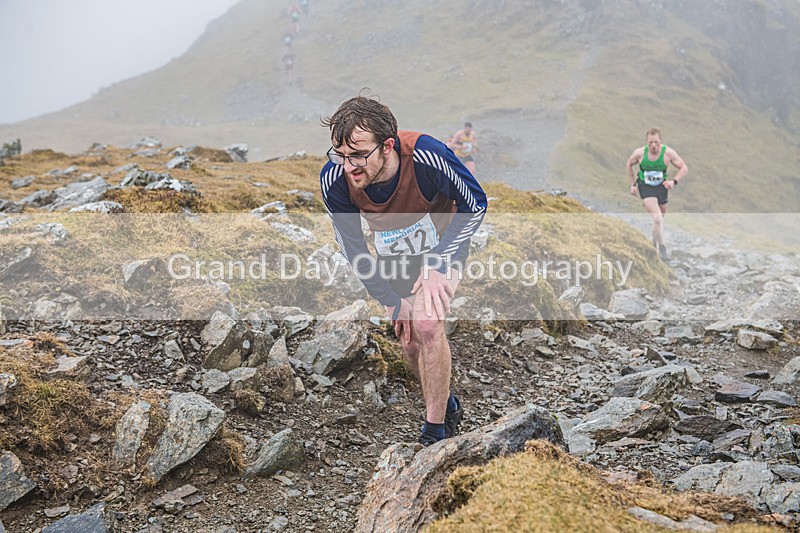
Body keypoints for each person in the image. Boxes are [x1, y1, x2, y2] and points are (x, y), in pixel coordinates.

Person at [320, 95, 487, 446]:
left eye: (358, 155)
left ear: (387, 146)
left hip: (444, 243)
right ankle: (448, 405)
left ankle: (434, 433)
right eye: (341, 155)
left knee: (427, 324)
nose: (349, 166)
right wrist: (389, 298)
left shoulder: (427, 155)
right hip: (395, 254)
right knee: (410, 343)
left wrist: (439, 261)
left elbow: (474, 204)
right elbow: (352, 246)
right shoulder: (335, 177)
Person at [626, 127, 688, 259]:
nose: (653, 145)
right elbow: (629, 164)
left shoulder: (668, 153)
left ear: (661, 141)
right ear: (646, 142)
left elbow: (684, 167)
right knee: (658, 218)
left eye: (656, 142)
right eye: (650, 142)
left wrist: (673, 182)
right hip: (645, 187)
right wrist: (633, 185)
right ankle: (663, 250)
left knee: (659, 220)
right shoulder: (640, 153)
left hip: (661, 187)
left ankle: (653, 243)